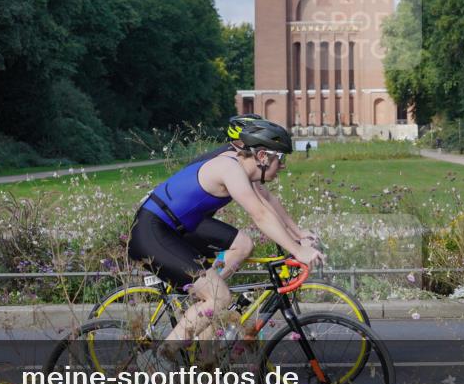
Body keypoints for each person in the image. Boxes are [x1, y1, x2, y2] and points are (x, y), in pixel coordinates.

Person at [127, 116, 325, 357]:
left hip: (177, 230)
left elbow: (267, 201)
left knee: (214, 298)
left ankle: (204, 369)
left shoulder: (241, 166)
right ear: (262, 156)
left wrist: (297, 235)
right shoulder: (229, 168)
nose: (283, 166)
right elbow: (260, 214)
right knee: (219, 297)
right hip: (153, 231)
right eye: (280, 158)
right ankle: (157, 362)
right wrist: (297, 249)